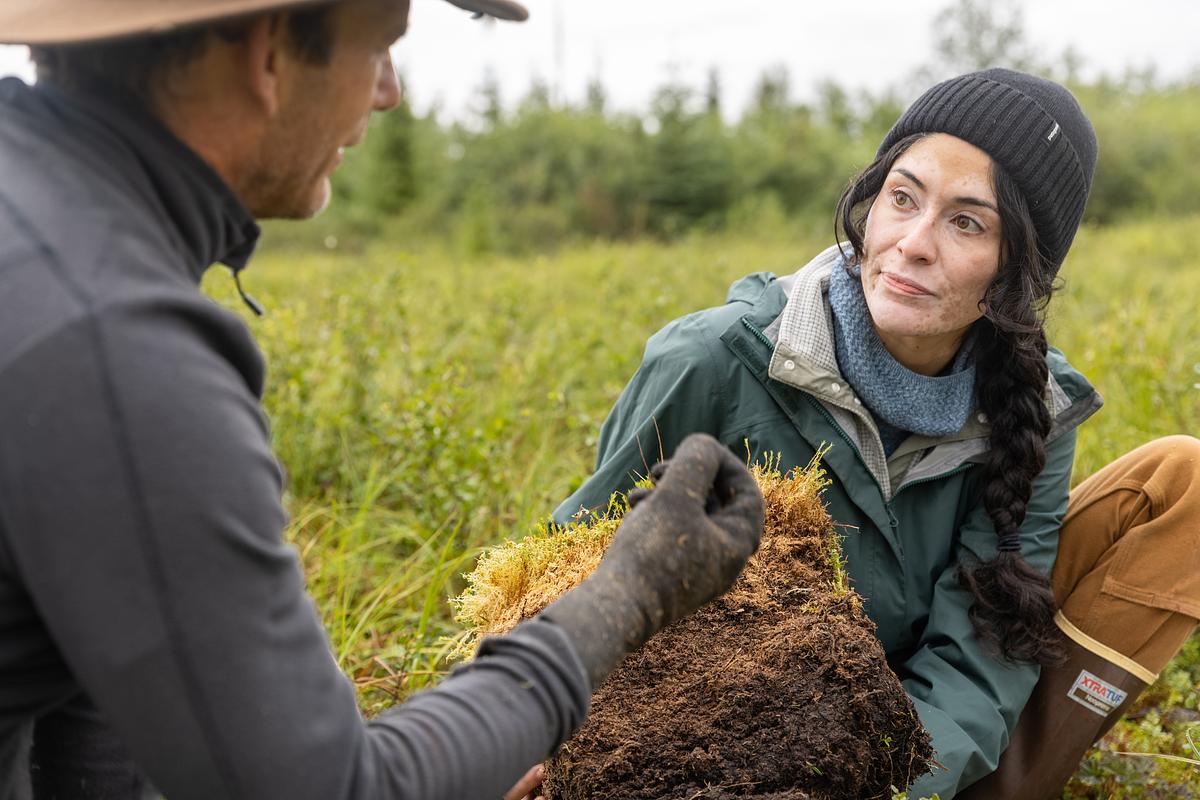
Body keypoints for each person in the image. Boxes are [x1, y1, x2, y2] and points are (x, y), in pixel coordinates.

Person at [0, 2, 766, 799]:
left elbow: (85, 723)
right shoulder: (117, 347)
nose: (388, 93)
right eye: (380, 51)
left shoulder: (41, 216)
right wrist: (628, 592)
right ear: (270, 55)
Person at [554, 68, 1200, 800]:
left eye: (967, 222)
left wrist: (891, 788)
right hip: (714, 751)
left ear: (1020, 269)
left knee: (1184, 483)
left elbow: (982, 653)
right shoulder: (709, 361)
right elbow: (567, 584)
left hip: (896, 753)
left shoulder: (1030, 409)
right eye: (902, 197)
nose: (911, 244)